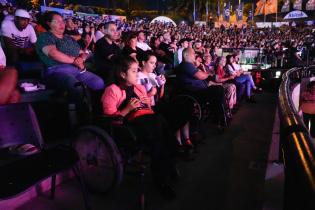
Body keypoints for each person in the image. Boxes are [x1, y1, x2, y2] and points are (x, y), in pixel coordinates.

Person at [101, 56, 178, 200]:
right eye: (134, 71)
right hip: (132, 126)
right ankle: (163, 178)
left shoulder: (138, 87)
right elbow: (110, 121)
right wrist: (128, 109)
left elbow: (149, 108)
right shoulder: (112, 90)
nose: (137, 74)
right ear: (123, 74)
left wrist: (147, 99)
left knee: (164, 125)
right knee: (159, 130)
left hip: (149, 119)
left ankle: (166, 169)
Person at [36, 11, 104, 112]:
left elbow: (83, 52)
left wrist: (82, 58)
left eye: (62, 21)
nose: (62, 24)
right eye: (57, 21)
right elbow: (53, 53)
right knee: (75, 86)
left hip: (77, 70)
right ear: (48, 23)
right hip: (56, 71)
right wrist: (74, 61)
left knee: (98, 83)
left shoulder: (68, 38)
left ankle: (96, 113)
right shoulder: (45, 37)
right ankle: (77, 116)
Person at [176, 48, 226, 130]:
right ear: (186, 55)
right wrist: (208, 74)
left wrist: (202, 69)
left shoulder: (190, 65)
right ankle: (221, 118)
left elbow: (202, 74)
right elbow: (201, 76)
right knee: (218, 90)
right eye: (193, 54)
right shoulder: (186, 65)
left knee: (218, 90)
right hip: (194, 93)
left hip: (199, 90)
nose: (194, 55)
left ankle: (219, 117)